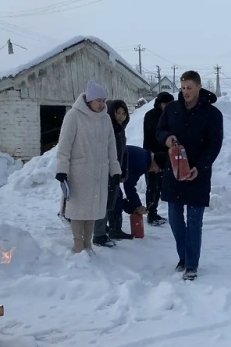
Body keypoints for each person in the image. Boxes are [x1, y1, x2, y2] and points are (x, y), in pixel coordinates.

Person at [156, 71, 224, 281]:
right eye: (183, 88)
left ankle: (191, 264)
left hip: (198, 175)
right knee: (175, 220)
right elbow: (160, 131)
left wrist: (200, 167)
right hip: (174, 172)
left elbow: (215, 145)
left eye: (189, 88)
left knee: (194, 221)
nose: (185, 92)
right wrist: (167, 139)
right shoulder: (172, 110)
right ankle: (183, 256)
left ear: (199, 87)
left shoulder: (212, 114)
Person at [55, 81, 121, 254]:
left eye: (103, 100)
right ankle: (78, 245)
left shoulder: (105, 118)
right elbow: (64, 145)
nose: (102, 104)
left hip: (99, 171)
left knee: (93, 208)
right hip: (79, 171)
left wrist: (115, 170)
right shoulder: (74, 116)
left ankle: (88, 244)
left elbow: (111, 146)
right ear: (89, 100)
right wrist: (61, 169)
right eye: (98, 100)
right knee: (78, 209)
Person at [94, 99, 130, 246]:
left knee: (113, 201)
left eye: (123, 113)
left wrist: (122, 171)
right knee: (104, 202)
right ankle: (99, 235)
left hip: (115, 172)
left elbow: (124, 152)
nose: (121, 116)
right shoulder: (108, 129)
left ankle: (112, 229)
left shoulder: (120, 130)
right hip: (105, 172)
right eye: (118, 113)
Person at [107, 145, 167, 234]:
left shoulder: (144, 156)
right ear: (156, 163)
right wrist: (137, 206)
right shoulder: (142, 163)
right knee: (116, 195)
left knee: (114, 195)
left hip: (109, 166)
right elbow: (129, 186)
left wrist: (134, 206)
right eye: (159, 169)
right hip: (106, 167)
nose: (156, 172)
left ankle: (107, 228)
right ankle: (115, 230)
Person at [142, 91, 174, 226]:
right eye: (165, 104)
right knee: (152, 186)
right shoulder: (151, 116)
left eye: (170, 104)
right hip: (152, 155)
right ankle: (151, 213)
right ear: (159, 103)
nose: (167, 106)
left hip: (167, 156)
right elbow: (152, 135)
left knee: (161, 186)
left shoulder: (172, 116)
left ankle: (154, 212)